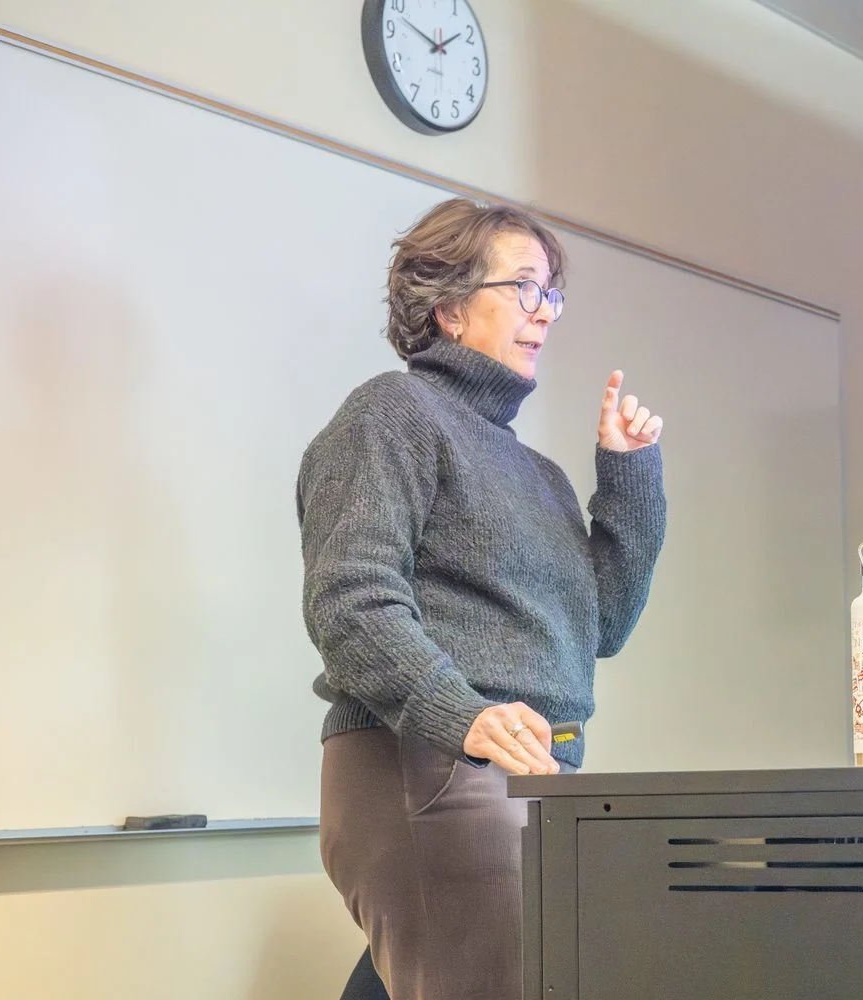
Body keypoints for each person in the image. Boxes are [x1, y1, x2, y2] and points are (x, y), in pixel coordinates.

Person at [296, 197, 667, 1000]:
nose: (545, 313)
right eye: (524, 288)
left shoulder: (539, 475)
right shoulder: (392, 412)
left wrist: (629, 474)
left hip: (539, 775)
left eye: (552, 296)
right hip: (431, 760)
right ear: (450, 309)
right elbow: (349, 600)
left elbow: (604, 625)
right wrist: (462, 716)